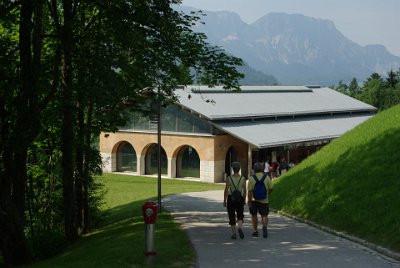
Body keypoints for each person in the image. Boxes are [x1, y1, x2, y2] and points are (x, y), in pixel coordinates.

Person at [247, 162, 273, 238]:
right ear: (262, 169)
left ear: (254, 169)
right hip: (264, 200)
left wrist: (249, 201)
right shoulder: (267, 177)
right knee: (264, 215)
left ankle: (255, 231)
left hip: (254, 200)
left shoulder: (252, 178)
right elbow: (271, 189)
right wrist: (267, 193)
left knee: (254, 215)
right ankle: (264, 226)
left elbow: (250, 191)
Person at [223, 162, 247, 239]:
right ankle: (239, 227)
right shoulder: (242, 178)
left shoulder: (229, 178)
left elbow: (226, 190)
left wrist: (224, 200)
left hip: (231, 198)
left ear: (233, 169)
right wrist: (244, 199)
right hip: (240, 198)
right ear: (239, 169)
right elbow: (245, 190)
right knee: (240, 214)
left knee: (231, 215)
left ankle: (234, 234)